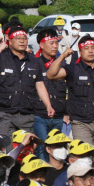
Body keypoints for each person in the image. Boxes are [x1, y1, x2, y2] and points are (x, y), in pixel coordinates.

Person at [0, 28, 54, 147]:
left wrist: (48, 105)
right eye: (18, 38)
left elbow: (40, 85)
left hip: (27, 112)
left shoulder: (34, 61)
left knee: (27, 149)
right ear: (9, 41)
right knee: (9, 148)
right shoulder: (0, 57)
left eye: (24, 38)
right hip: (6, 112)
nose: (22, 41)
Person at [33, 29, 67, 161]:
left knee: (57, 150)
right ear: (41, 45)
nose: (55, 46)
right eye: (51, 43)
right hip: (39, 114)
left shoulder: (62, 64)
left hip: (59, 115)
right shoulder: (34, 63)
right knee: (42, 148)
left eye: (56, 43)